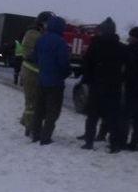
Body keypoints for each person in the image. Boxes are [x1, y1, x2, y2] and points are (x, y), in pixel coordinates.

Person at [78, 17, 130, 152]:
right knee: (114, 117)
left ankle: (89, 142)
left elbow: (87, 65)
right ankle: (114, 145)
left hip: (97, 85)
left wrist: (88, 80)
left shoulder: (95, 46)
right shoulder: (122, 48)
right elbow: (128, 67)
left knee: (93, 116)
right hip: (114, 86)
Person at [29, 15, 71, 145]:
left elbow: (35, 59)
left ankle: (35, 134)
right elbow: (63, 63)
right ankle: (45, 137)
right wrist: (66, 73)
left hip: (41, 80)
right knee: (52, 111)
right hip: (55, 82)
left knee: (39, 110)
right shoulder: (60, 42)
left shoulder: (40, 40)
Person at [19, 11, 53, 137]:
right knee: (31, 103)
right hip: (30, 72)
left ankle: (27, 122)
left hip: (34, 72)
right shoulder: (33, 34)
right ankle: (30, 128)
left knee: (34, 102)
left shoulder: (37, 33)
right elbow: (34, 53)